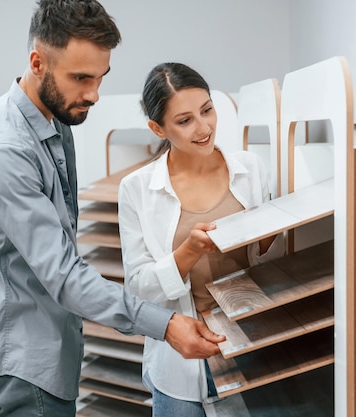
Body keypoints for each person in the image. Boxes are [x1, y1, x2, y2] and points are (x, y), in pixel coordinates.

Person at [0, 2, 224, 416]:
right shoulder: (4, 150)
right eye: (81, 78)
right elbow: (63, 275)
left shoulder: (55, 118)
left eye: (100, 78)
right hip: (22, 361)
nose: (93, 94)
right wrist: (167, 326)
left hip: (48, 348)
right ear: (37, 62)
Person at [117, 62, 286, 417]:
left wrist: (270, 239)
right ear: (157, 128)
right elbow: (138, 288)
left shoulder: (251, 169)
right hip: (182, 364)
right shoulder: (136, 190)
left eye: (207, 110)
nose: (204, 127)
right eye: (185, 120)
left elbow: (272, 266)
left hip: (255, 343)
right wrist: (188, 251)